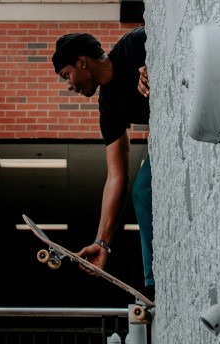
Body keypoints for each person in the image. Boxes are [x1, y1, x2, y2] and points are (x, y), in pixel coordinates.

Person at [51, 27, 154, 301]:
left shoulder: (134, 45)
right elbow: (116, 176)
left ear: (83, 62)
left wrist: (156, 64)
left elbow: (169, 28)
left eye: (67, 76)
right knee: (143, 190)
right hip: (169, 139)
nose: (70, 86)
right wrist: (102, 242)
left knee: (144, 190)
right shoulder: (108, 107)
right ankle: (156, 282)